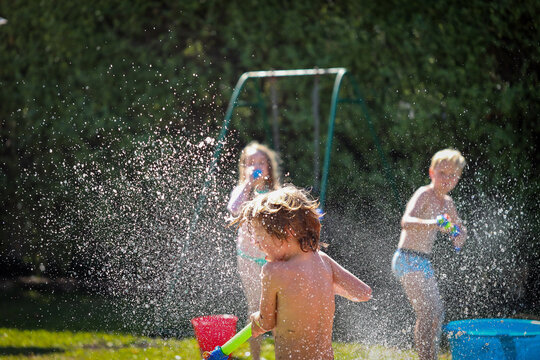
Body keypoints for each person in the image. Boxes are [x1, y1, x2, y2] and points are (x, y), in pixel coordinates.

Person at [230, 185, 372, 360]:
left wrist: (255, 319)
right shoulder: (323, 260)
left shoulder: (273, 271)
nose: (256, 244)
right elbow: (363, 293)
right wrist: (317, 287)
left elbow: (267, 322)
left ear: (287, 232)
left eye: (260, 237)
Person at [392, 148, 468, 360]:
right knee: (426, 313)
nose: (447, 179)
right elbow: (406, 221)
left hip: (423, 262)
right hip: (406, 257)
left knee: (437, 314)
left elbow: (458, 230)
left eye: (452, 175)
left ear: (458, 179)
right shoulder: (424, 194)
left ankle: (430, 357)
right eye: (442, 173)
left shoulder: (448, 203)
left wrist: (459, 234)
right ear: (431, 173)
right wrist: (434, 223)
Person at [227, 141, 281, 360]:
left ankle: (282, 355)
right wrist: (248, 184)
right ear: (244, 168)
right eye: (251, 163)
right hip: (248, 260)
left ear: (269, 167)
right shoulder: (242, 192)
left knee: (279, 312)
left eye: (261, 162)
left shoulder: (276, 193)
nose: (257, 166)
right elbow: (233, 208)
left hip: (273, 261)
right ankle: (256, 357)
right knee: (256, 311)